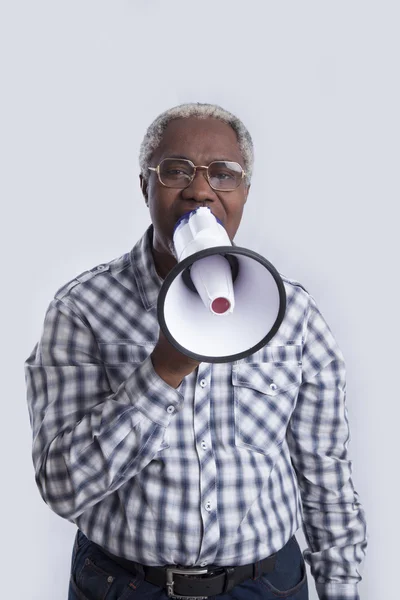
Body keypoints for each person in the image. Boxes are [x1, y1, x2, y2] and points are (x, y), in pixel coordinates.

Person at [25, 103, 367, 600]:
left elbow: (325, 473)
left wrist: (342, 588)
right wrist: (162, 371)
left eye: (223, 174)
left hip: (266, 585)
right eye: (176, 170)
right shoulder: (82, 309)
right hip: (124, 585)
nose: (200, 190)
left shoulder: (293, 313)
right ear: (145, 186)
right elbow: (62, 486)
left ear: (245, 193)